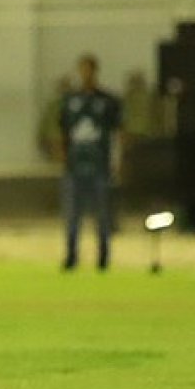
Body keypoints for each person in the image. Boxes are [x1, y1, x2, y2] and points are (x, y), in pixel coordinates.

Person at [58, 54, 122, 271]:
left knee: (102, 215)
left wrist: (117, 160)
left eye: (89, 70)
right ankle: (71, 256)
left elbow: (118, 132)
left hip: (99, 166)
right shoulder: (70, 101)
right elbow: (63, 132)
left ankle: (103, 258)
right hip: (75, 167)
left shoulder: (107, 101)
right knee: (72, 216)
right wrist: (63, 157)